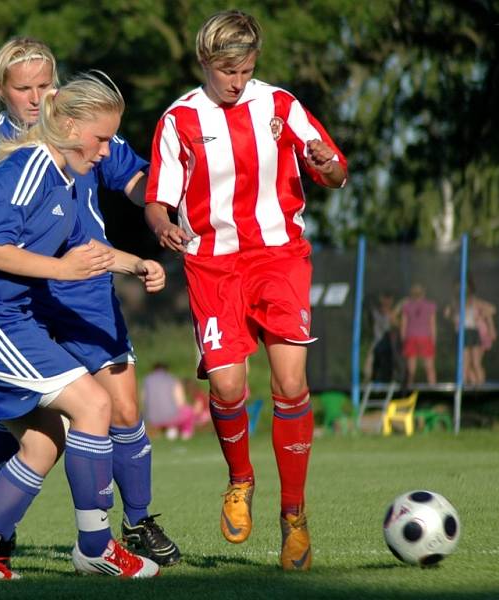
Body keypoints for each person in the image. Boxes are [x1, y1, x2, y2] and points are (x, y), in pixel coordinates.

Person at [0, 71, 163, 580]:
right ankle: (96, 547)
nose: (105, 152)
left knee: (43, 442)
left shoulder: (63, 178)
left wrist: (139, 264)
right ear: (70, 123)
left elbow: (89, 250)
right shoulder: (30, 165)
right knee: (95, 404)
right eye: (101, 138)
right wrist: (61, 270)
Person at [144, 10, 348, 571]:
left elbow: (334, 170)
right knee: (230, 387)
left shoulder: (282, 105)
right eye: (227, 70)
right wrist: (162, 224)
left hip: (280, 257)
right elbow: (157, 197)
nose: (237, 80)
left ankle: (295, 518)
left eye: (247, 69)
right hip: (213, 266)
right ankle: (240, 481)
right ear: (206, 63)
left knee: (290, 381)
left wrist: (327, 165)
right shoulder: (181, 118)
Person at [444, 279, 497, 385]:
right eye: (459, 288)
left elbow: (492, 309)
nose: (462, 290)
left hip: (473, 331)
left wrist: (483, 316)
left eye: (464, 288)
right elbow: (447, 314)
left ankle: (481, 385)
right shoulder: (456, 303)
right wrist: (453, 318)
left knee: (476, 363)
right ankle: (464, 386)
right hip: (463, 332)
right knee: (465, 363)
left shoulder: (474, 301)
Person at [142, 363, 195, 440]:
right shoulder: (172, 379)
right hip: (170, 418)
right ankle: (185, 434)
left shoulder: (147, 380)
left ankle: (167, 430)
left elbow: (144, 400)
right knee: (188, 410)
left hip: (151, 419)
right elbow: (181, 402)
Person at [399, 283, 437, 386]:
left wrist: (403, 339)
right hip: (421, 338)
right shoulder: (408, 306)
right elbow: (432, 324)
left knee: (415, 368)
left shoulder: (408, 306)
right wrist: (433, 339)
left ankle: (413, 387)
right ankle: (430, 387)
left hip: (415, 337)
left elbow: (403, 325)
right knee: (425, 367)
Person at [363, 291, 402, 383]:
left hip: (389, 343)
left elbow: (398, 325)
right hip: (377, 341)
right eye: (385, 299)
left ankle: (394, 379)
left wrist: (393, 315)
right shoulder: (375, 312)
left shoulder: (392, 314)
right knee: (370, 362)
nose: (387, 302)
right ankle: (367, 380)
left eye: (389, 300)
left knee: (393, 361)